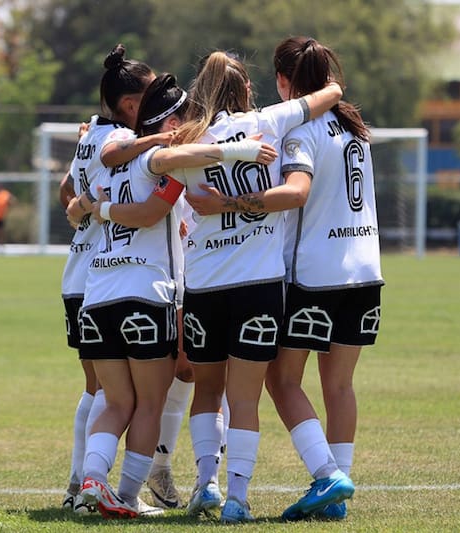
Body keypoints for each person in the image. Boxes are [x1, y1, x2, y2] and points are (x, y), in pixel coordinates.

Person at [68, 73, 277, 519]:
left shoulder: (109, 158)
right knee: (149, 402)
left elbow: (73, 201)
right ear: (168, 124)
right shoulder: (162, 161)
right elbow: (153, 208)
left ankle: (90, 481)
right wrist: (238, 149)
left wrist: (93, 207)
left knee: (114, 399)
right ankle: (125, 495)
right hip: (147, 293)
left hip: (97, 293)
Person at [186, 37, 375, 521]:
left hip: (312, 275)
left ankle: (326, 474)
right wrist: (334, 88)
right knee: (340, 387)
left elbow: (296, 192)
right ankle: (334, 496)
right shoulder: (354, 129)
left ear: (284, 83)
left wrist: (225, 204)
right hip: (365, 271)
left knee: (281, 380)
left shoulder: (292, 131)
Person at [59, 43, 169, 516]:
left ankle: (81, 484)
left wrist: (86, 205)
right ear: (130, 104)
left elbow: (67, 191)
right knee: (117, 394)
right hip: (107, 275)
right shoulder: (114, 140)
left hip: (86, 275)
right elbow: (111, 158)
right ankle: (94, 486)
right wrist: (158, 142)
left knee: (103, 392)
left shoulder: (91, 135)